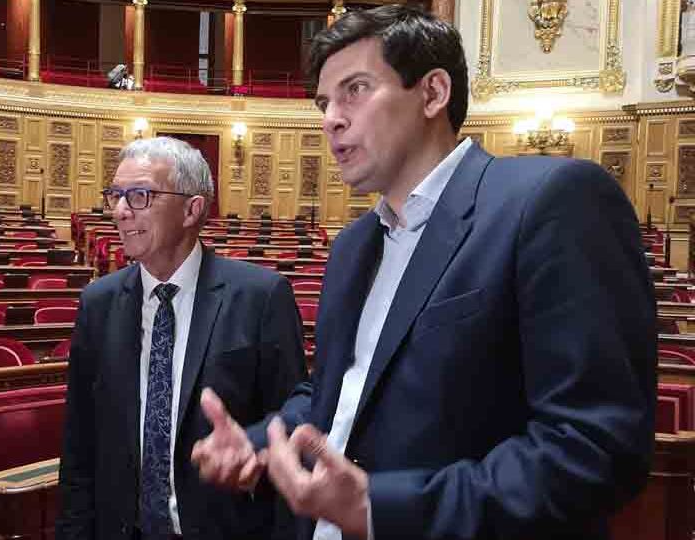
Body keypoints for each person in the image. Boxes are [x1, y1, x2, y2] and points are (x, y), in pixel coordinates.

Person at [191, 5, 656, 539]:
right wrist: (255, 444)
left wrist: (382, 508)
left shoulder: (551, 200)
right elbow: (338, 394)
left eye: (356, 90)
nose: (330, 118)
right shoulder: (353, 245)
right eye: (324, 102)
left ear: (433, 93)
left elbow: (595, 446)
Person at [58, 136, 307, 540]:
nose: (120, 212)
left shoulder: (261, 296)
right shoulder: (97, 304)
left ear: (192, 209)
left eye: (139, 196)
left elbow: (295, 414)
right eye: (116, 196)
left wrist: (252, 444)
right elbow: (79, 446)